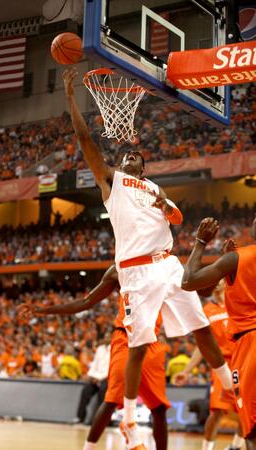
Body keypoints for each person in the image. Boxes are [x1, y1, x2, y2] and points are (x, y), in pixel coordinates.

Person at [62, 67, 232, 450]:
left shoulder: (155, 187)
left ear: (145, 167)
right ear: (121, 167)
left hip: (168, 262)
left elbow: (177, 217)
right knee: (139, 345)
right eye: (127, 155)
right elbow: (86, 141)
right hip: (137, 272)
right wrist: (72, 100)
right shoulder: (113, 184)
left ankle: (229, 385)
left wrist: (164, 205)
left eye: (137, 154)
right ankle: (128, 423)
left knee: (201, 327)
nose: (132, 155)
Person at [18, 265, 170, 450]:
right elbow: (86, 301)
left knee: (159, 408)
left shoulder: (165, 265)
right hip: (126, 337)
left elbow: (196, 287)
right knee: (111, 400)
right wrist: (42, 310)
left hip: (152, 341)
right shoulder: (119, 269)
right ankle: (89, 447)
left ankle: (135, 430)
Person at [181, 214, 256, 450]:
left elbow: (189, 281)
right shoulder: (231, 262)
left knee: (252, 424)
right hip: (230, 358)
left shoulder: (239, 258)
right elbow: (205, 291)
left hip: (249, 342)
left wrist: (201, 242)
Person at [176, 280, 244, 450]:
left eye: (221, 278)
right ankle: (206, 448)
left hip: (243, 362)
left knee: (248, 412)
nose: (219, 281)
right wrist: (187, 370)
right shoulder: (206, 311)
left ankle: (235, 447)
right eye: (215, 279)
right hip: (222, 365)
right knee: (217, 411)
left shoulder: (237, 303)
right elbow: (203, 347)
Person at [72, 334, 111, 425]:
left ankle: (98, 420)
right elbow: (94, 364)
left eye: (108, 337)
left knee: (103, 391)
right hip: (95, 377)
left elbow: (111, 367)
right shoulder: (100, 349)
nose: (106, 338)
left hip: (106, 378)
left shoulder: (115, 348)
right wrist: (91, 376)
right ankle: (80, 417)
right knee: (85, 390)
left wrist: (100, 378)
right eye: (105, 337)